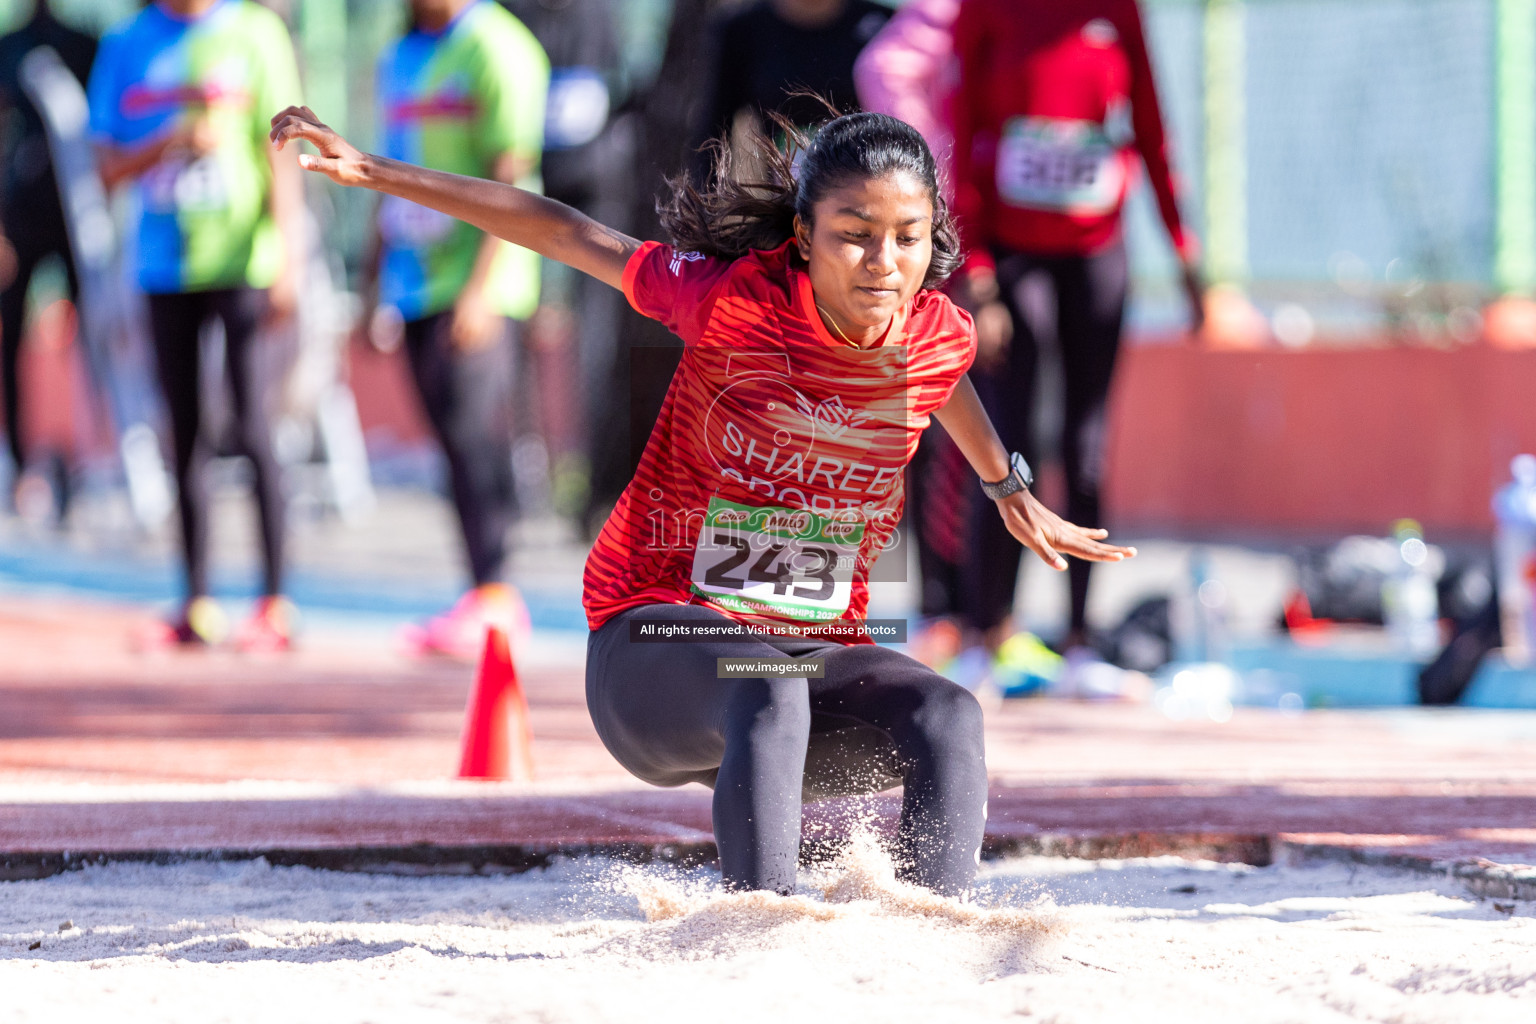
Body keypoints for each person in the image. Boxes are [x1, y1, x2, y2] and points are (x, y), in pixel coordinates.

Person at [270, 103, 1134, 895]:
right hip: (652, 648)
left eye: (908, 239)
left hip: (800, 655)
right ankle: (763, 926)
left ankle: (930, 934)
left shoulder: (937, 331)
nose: (885, 265)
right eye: (855, 235)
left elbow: (944, 382)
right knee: (767, 685)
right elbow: (567, 232)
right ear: (803, 234)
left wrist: (1008, 486)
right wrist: (382, 172)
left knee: (947, 714)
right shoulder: (731, 301)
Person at [949, 0, 1203, 673]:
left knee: (1085, 451)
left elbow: (1151, 127)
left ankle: (1082, 640)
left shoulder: (1116, 11)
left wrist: (1184, 248)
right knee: (1010, 443)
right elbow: (960, 130)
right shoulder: (985, 11)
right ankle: (989, 631)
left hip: (1097, 255)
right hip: (1013, 258)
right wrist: (979, 277)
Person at [88, 0, 303, 649]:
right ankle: (197, 599)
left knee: (254, 422)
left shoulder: (257, 33)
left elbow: (285, 154)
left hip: (245, 262)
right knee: (183, 433)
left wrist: (289, 254)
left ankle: (273, 601)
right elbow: (105, 167)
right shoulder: (127, 43)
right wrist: (169, 142)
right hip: (163, 266)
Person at [363, 0, 549, 659]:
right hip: (414, 282)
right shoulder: (400, 55)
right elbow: (383, 173)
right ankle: (480, 591)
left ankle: (498, 594)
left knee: (477, 438)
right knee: (449, 439)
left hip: (481, 286)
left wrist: (481, 290)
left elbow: (513, 179)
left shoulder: (499, 47)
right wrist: (371, 282)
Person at [0, 0, 96, 511]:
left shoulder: (85, 46)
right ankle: (17, 461)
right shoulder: (8, 47)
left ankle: (87, 455)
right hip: (18, 218)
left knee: (94, 338)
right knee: (11, 340)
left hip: (76, 218)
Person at [694, 0, 892, 172]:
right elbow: (714, 129)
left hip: (872, 194)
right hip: (784, 200)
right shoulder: (742, 29)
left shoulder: (886, 24)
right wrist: (707, 206)